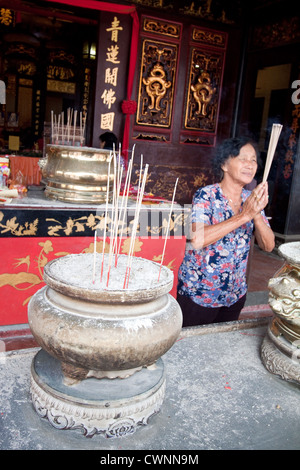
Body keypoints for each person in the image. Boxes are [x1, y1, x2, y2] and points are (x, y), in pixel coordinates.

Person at [177, 136, 275, 327]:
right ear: (224, 164)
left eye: (253, 160)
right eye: (242, 158)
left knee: (219, 347)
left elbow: (269, 245)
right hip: (199, 293)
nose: (250, 164)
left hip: (234, 294)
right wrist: (244, 216)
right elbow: (197, 239)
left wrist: (255, 213)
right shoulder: (206, 195)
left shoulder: (251, 199)